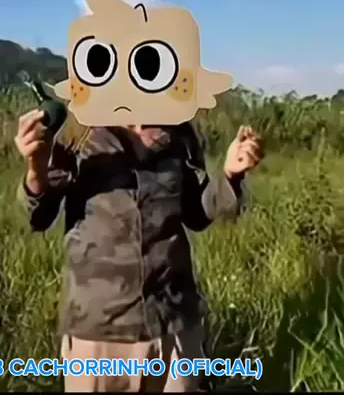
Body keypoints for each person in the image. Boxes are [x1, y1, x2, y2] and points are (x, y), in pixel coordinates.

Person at [15, 108, 262, 392]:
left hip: (171, 323)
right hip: (97, 329)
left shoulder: (179, 131)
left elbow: (196, 213)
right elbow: (39, 216)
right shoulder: (78, 130)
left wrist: (230, 176)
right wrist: (36, 168)